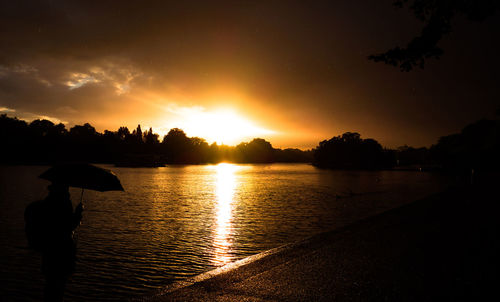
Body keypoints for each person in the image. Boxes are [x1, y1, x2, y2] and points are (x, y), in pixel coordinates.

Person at [25, 182, 83, 302]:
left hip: (49, 252)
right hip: (60, 253)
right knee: (57, 288)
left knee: (51, 287)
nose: (68, 189)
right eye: (66, 186)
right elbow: (66, 227)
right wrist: (78, 214)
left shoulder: (49, 200)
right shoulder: (62, 202)